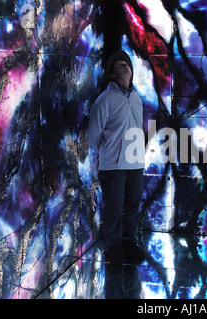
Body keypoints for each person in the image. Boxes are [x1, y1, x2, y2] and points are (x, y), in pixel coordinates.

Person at [88, 50, 145, 266]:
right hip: (113, 165)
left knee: (132, 204)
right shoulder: (105, 99)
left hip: (136, 162)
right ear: (112, 75)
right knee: (114, 206)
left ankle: (128, 241)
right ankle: (113, 246)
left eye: (127, 64)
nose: (125, 66)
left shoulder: (137, 99)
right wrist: (108, 152)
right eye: (119, 65)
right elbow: (94, 134)